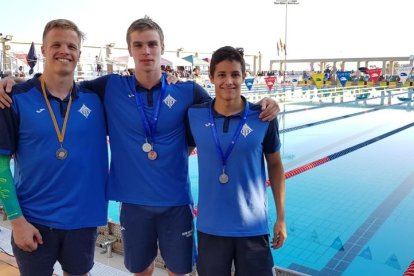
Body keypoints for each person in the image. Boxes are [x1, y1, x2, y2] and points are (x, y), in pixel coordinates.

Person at [0, 16, 279, 276]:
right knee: (140, 269)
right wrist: (13, 82)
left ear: (162, 48)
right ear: (130, 49)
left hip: (175, 202)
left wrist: (263, 106)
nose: (146, 51)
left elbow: (224, 109)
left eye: (152, 44)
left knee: (179, 270)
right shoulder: (108, 87)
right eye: (138, 45)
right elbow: (56, 85)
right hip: (132, 204)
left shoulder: (187, 91)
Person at [0, 19, 108, 276]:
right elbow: (1, 164)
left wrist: (168, 77)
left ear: (79, 54)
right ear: (44, 50)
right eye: (56, 44)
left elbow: (142, 84)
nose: (64, 50)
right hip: (33, 220)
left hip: (82, 220)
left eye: (71, 46)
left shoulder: (98, 97)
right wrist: (16, 221)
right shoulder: (14, 98)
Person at [186, 46, 286, 275]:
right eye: (221, 74)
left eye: (235, 74)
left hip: (253, 227)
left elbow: (276, 165)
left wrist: (281, 217)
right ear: (211, 77)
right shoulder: (194, 115)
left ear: (244, 77)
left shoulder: (263, 116)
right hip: (211, 227)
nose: (228, 81)